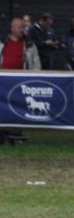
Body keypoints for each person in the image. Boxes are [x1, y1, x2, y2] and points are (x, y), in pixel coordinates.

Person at [1, 16, 39, 144]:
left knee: (18, 110)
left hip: (21, 83)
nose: (22, 30)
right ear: (12, 28)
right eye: (19, 27)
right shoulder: (2, 43)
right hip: (3, 83)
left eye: (23, 27)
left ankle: (16, 136)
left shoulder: (29, 45)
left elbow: (35, 64)